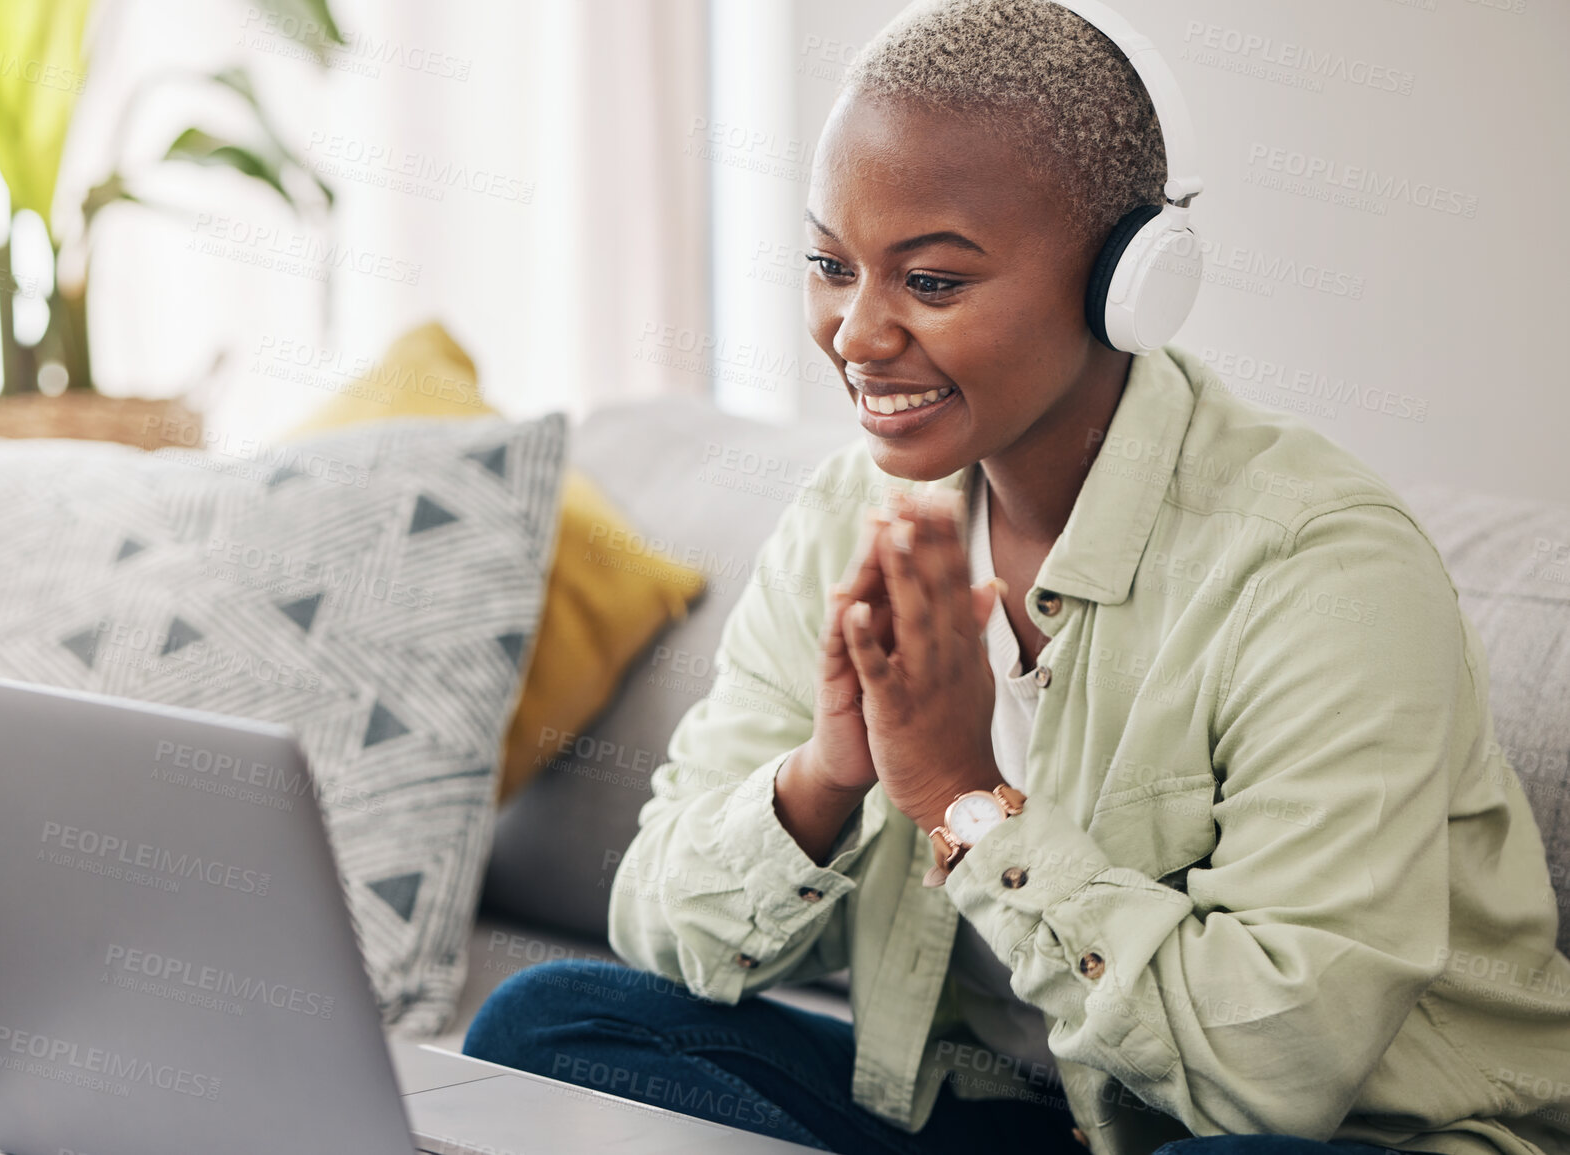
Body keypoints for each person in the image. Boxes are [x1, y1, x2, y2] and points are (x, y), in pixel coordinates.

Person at [464, 2, 1570, 1152]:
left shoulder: (1321, 569)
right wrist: (827, 774)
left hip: (1333, 1136)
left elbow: (1275, 1075)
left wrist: (962, 799)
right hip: (1008, 1111)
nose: (855, 334)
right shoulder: (852, 518)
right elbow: (658, 925)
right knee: (555, 1030)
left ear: (1127, 285)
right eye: (830, 266)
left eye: (931, 283)